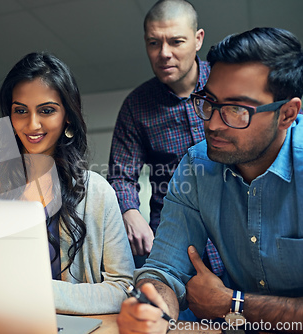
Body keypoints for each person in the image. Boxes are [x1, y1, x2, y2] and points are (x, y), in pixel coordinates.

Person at [117, 27, 303, 333]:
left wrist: (233, 303)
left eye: (236, 109)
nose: (213, 124)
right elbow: (164, 270)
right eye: (209, 102)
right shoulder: (196, 165)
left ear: (286, 114)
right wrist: (153, 310)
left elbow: (227, 305)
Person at [0, 52, 135, 315]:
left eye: (47, 110)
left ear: (67, 116)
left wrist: (36, 291)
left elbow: (123, 289)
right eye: (20, 111)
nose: (32, 124)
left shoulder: (98, 193)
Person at [107, 0, 223, 274]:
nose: (164, 54)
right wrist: (129, 212)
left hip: (235, 235)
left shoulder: (225, 84)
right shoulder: (136, 105)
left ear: (198, 39)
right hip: (173, 242)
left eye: (176, 41)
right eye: (153, 43)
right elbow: (121, 175)